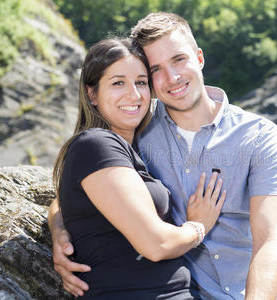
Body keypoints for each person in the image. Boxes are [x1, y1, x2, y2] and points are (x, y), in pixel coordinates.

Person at [50, 12, 277, 300]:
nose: (171, 78)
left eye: (179, 59)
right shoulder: (136, 122)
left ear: (199, 57)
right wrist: (59, 231)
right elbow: (84, 184)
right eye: (156, 69)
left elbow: (270, 242)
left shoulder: (258, 136)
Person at [50, 37, 226, 299]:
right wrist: (198, 226)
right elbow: (157, 245)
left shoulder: (129, 148)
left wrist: (58, 228)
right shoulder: (96, 144)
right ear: (92, 93)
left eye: (141, 82)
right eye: (118, 82)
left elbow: (69, 201)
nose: (134, 95)